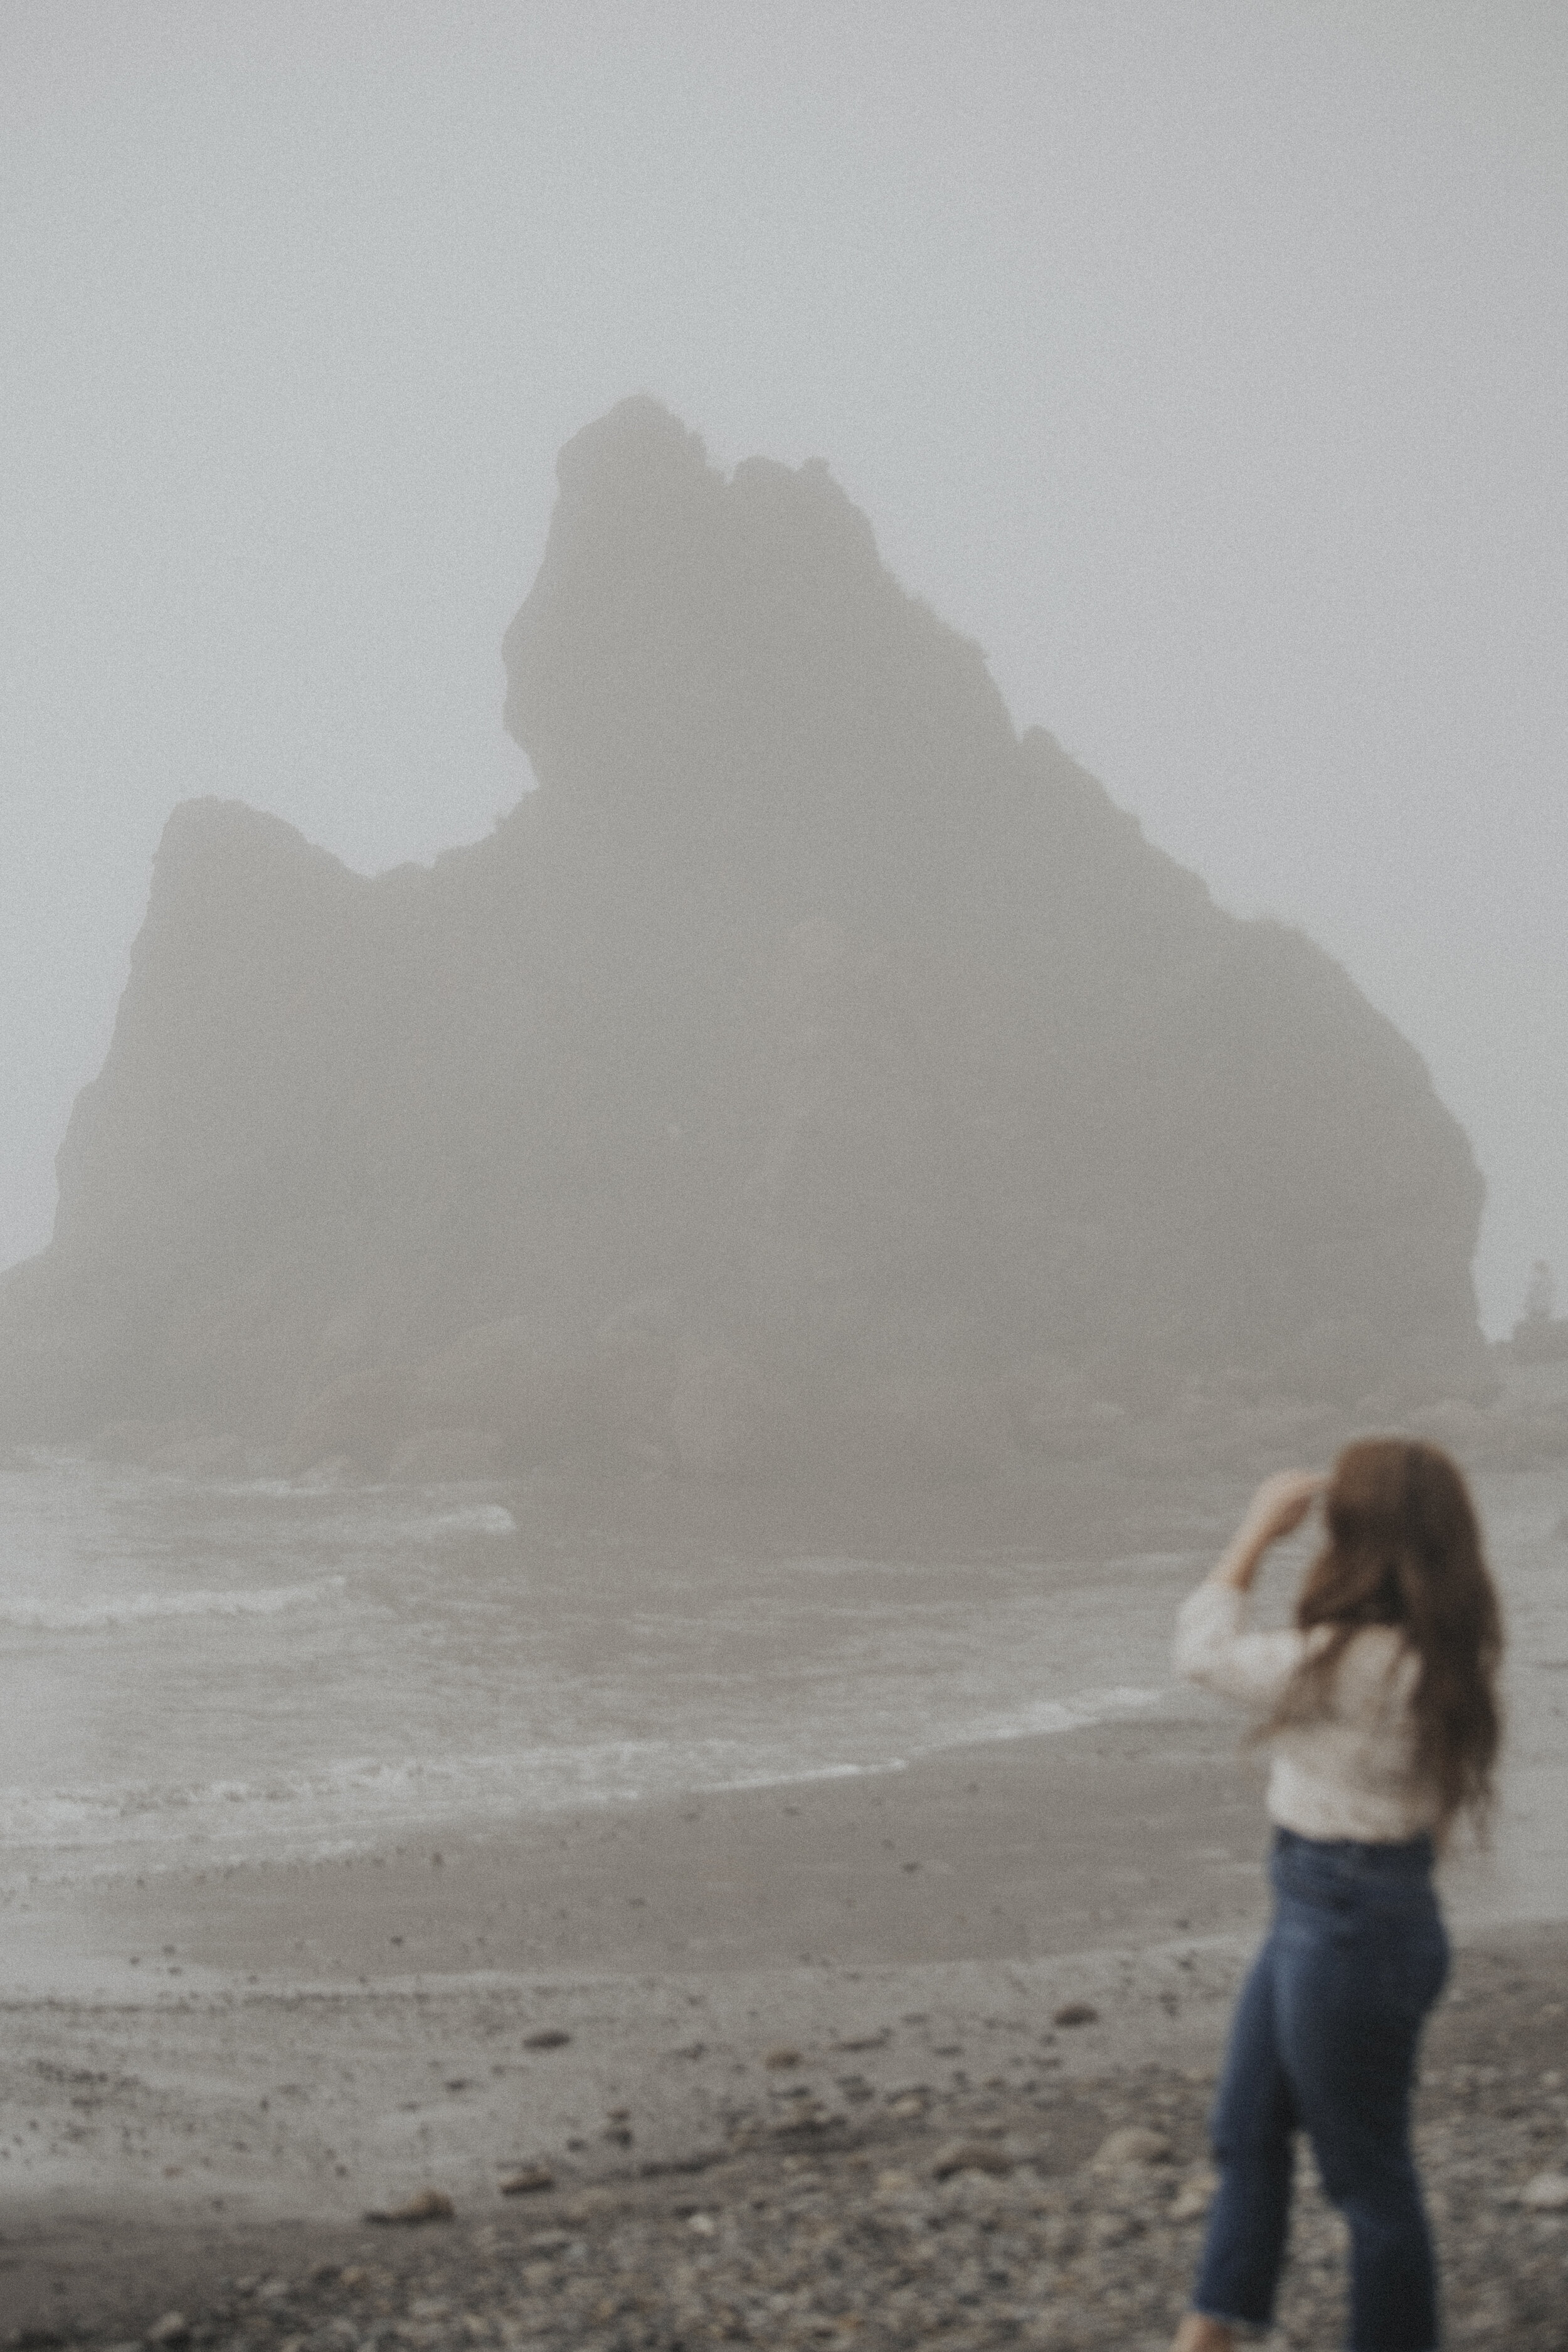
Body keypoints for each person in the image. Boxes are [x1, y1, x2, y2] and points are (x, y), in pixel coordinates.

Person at [1167, 1441, 1503, 2352]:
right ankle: (1211, 2330)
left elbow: (1200, 1653)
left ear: (1358, 1539)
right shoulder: (1440, 1650)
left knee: (1369, 2182)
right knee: (1246, 2127)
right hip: (1344, 1909)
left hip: (1347, 1924)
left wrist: (1253, 1535)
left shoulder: (1348, 1660)